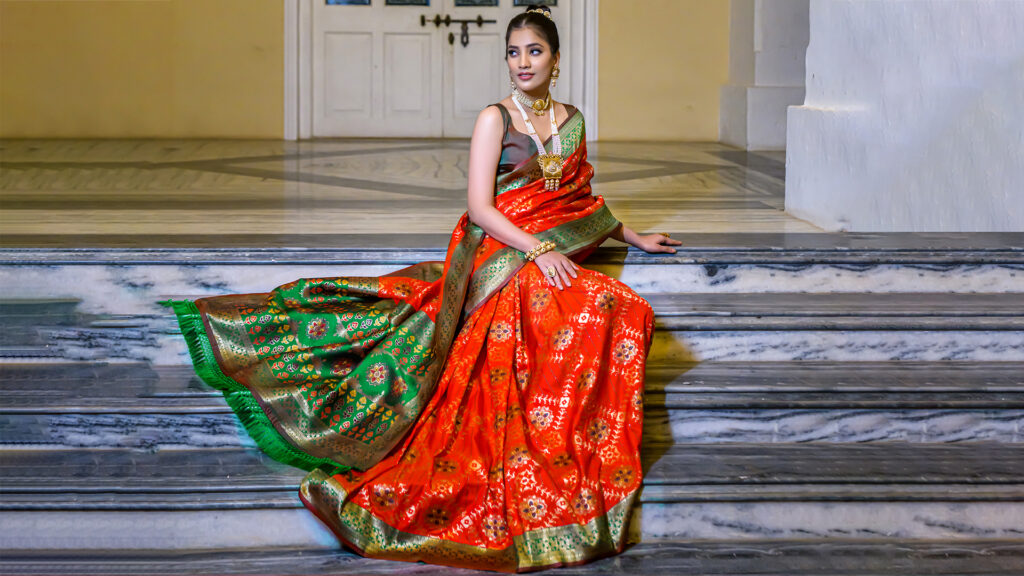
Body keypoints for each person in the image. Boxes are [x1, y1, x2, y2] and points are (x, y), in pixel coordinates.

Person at [164, 4, 680, 572]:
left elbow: (579, 198)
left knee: (623, 307)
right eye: (514, 52)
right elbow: (480, 208)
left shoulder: (573, 120)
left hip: (544, 250)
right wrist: (537, 248)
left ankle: (565, 445)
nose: (523, 62)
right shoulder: (495, 119)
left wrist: (630, 235)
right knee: (595, 304)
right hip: (501, 250)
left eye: (534, 51)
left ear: (556, 59)